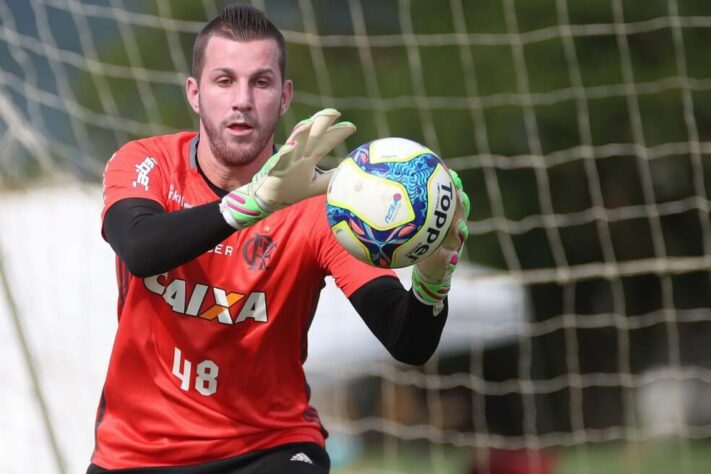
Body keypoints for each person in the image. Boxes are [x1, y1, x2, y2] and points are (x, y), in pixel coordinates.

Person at [89, 2, 470, 473]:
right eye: (224, 80)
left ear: (285, 96)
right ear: (194, 92)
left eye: (261, 82)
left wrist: (432, 281)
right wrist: (254, 202)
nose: (242, 99)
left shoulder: (328, 207)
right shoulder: (146, 162)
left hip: (269, 445)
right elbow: (142, 249)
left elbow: (407, 342)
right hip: (137, 453)